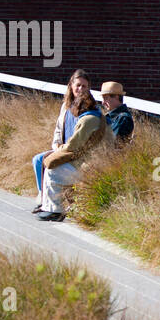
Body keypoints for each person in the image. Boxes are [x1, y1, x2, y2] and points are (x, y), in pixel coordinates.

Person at [36, 70, 105, 222]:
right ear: (71, 86)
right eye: (78, 85)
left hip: (76, 155)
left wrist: (59, 151)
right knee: (39, 160)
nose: (81, 89)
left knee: (51, 167)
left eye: (84, 86)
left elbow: (75, 144)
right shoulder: (66, 107)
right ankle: (44, 201)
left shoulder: (90, 116)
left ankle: (55, 210)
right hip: (64, 149)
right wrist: (56, 146)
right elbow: (58, 130)